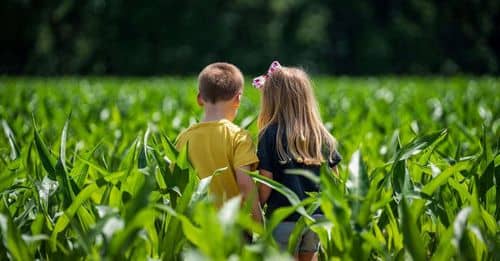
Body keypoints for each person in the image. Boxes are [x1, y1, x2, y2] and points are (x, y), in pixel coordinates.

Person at [254, 61, 341, 260]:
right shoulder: (322, 136)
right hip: (318, 218)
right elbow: (335, 180)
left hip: (284, 218)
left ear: (272, 101)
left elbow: (266, 181)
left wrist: (255, 208)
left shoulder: (269, 135)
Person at [175, 62, 261, 223]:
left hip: (195, 228)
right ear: (238, 99)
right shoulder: (239, 137)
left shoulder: (183, 138)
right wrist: (259, 223)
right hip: (233, 227)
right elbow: (245, 184)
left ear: (200, 99)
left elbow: (175, 184)